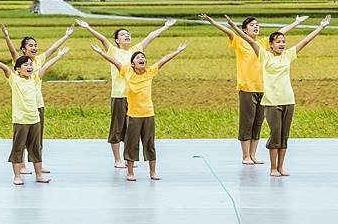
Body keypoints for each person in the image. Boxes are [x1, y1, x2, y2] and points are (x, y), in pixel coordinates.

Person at [225, 14, 331, 176]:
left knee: (283, 136)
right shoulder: (265, 56)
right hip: (271, 101)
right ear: (271, 45)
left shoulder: (288, 55)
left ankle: (280, 167)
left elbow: (305, 41)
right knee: (275, 134)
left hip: (288, 100)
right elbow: (250, 41)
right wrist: (233, 25)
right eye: (278, 42)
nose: (282, 44)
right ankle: (272, 167)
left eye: (283, 42)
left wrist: (320, 27)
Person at [199, 14, 308, 164]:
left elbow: (281, 32)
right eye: (251, 25)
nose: (256, 26)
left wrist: (296, 22)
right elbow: (228, 31)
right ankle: (245, 156)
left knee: (258, 122)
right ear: (244, 30)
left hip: (264, 89)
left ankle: (253, 155)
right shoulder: (239, 41)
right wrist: (213, 21)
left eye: (257, 24)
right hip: (247, 88)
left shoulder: (263, 43)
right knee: (247, 122)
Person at [75, 19, 176, 168]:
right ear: (117, 40)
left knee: (131, 129)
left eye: (128, 34)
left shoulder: (135, 50)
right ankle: (117, 160)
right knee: (117, 127)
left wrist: (165, 27)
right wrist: (88, 27)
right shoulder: (113, 51)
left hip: (134, 98)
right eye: (123, 34)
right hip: (119, 95)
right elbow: (102, 39)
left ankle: (129, 159)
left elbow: (150, 36)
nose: (127, 35)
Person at [90, 43, 187, 181]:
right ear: (133, 64)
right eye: (138, 58)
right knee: (131, 144)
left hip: (148, 114)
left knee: (149, 144)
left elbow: (163, 60)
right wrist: (101, 52)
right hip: (133, 116)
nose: (142, 59)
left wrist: (177, 50)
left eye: (143, 57)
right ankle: (130, 173)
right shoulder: (127, 72)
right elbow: (114, 61)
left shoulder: (150, 72)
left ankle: (152, 172)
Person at [0, 47, 70, 185]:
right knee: (18, 148)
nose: (29, 66)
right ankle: (17, 176)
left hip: (35, 119)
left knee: (35, 149)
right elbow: (5, 68)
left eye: (30, 64)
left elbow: (46, 66)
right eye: (25, 65)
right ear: (18, 69)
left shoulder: (34, 79)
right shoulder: (14, 80)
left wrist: (59, 56)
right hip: (21, 121)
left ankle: (39, 175)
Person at [0, 23, 74, 173]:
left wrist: (66, 35)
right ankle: (21, 166)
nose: (34, 47)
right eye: (30, 45)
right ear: (23, 49)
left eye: (35, 45)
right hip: (25, 107)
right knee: (23, 138)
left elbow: (53, 49)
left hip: (38, 104)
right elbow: (12, 51)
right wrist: (7, 36)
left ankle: (37, 163)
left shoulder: (39, 60)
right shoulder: (20, 62)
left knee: (37, 137)